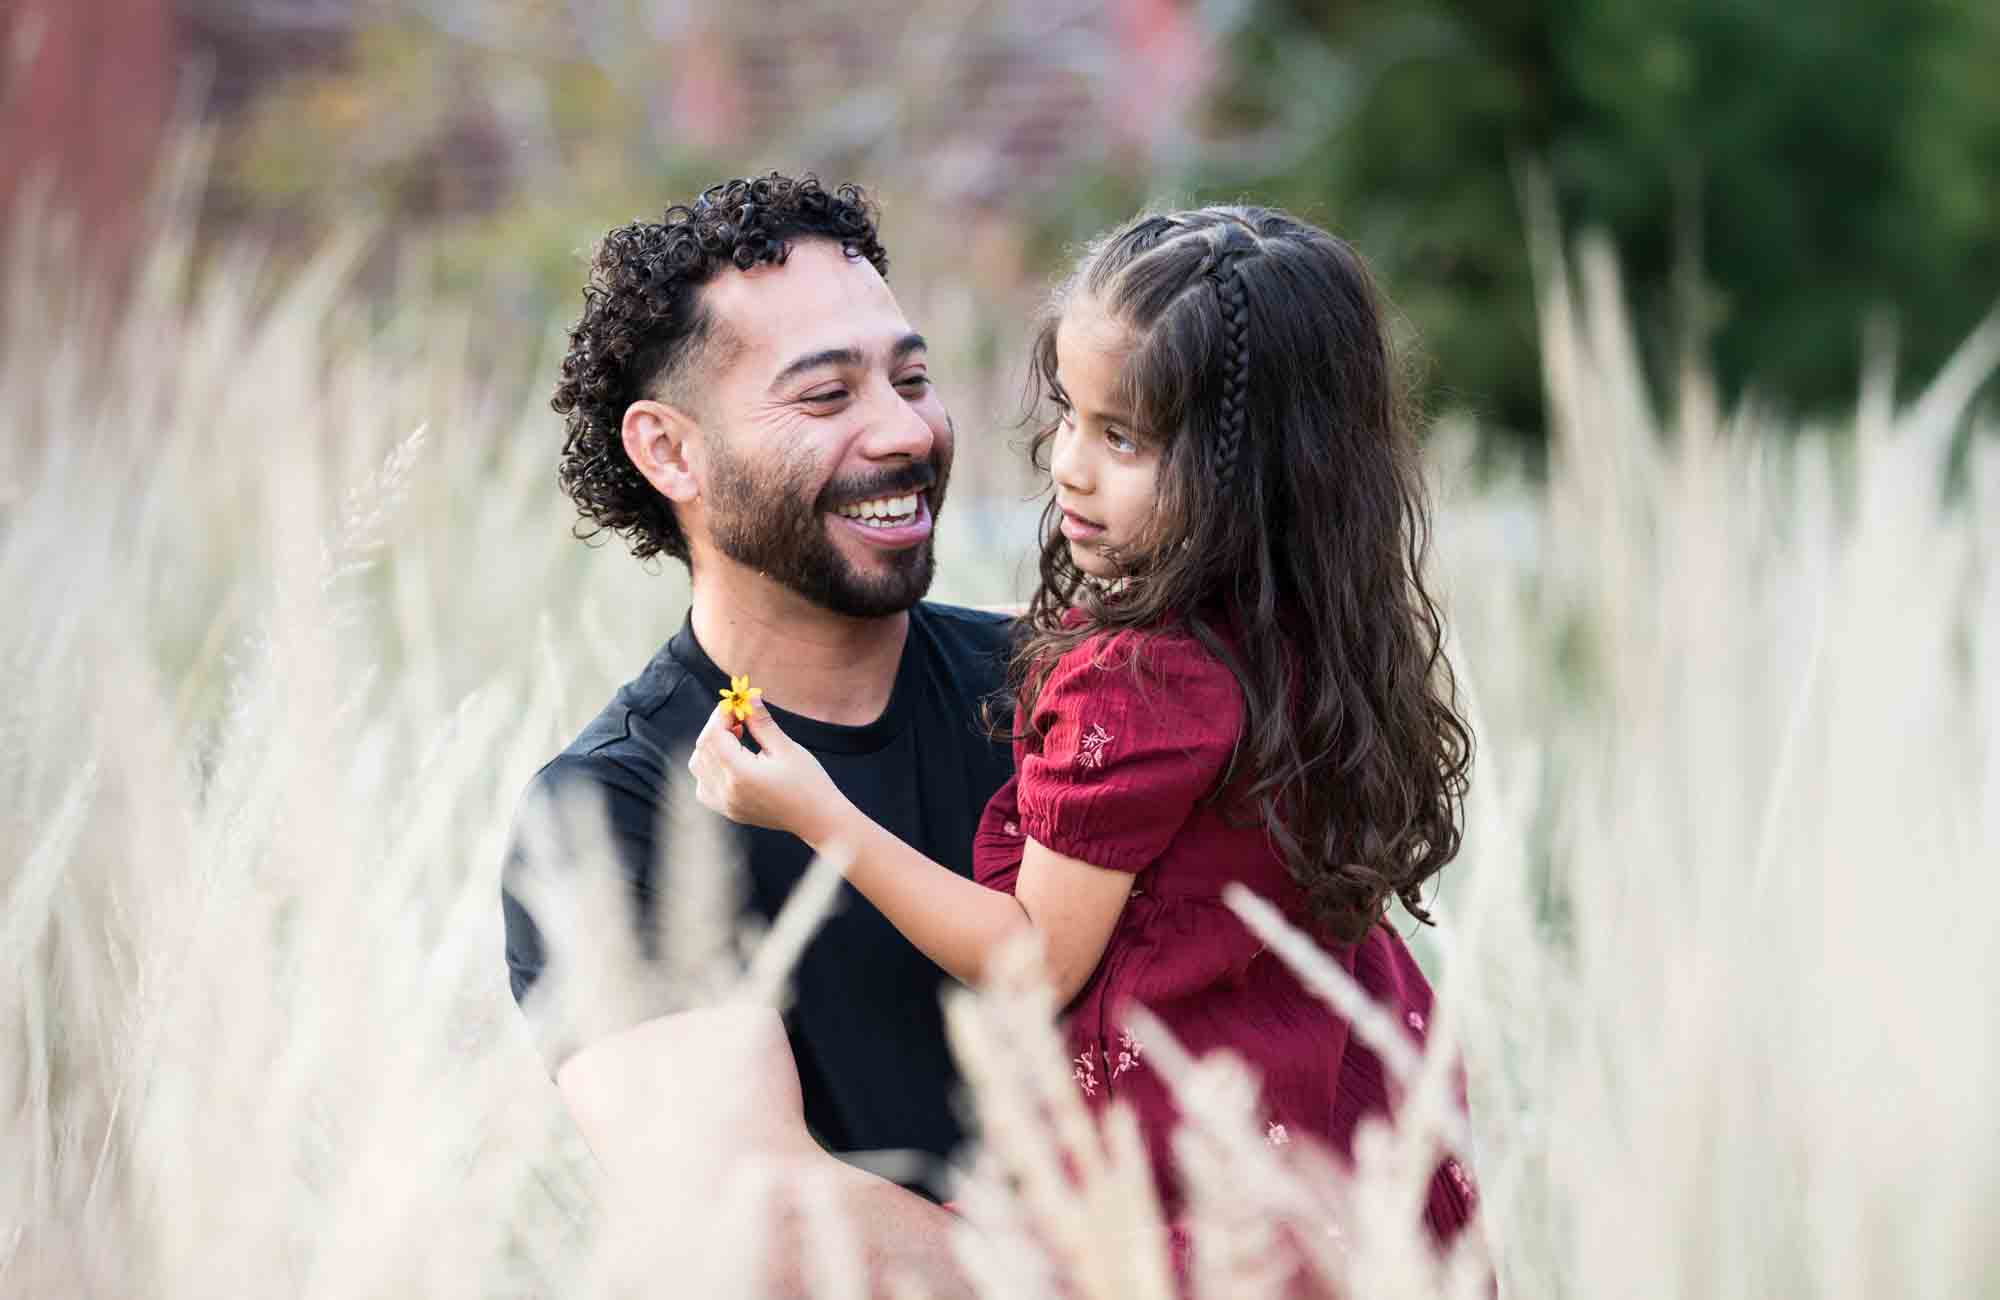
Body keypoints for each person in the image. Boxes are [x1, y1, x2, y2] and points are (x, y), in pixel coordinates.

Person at [690, 206, 1482, 1246]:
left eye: (1124, 438)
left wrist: (815, 811)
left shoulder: (1136, 681)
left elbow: (1031, 960)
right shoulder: (1301, 623)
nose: (1068, 463)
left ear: (1252, 475)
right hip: (1336, 1116)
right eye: (1069, 414)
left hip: (1175, 1181)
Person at [500, 172, 1012, 1297]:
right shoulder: (609, 816)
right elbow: (758, 1215)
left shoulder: (1064, 693)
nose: (905, 430)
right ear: (669, 452)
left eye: (911, 377)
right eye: (826, 397)